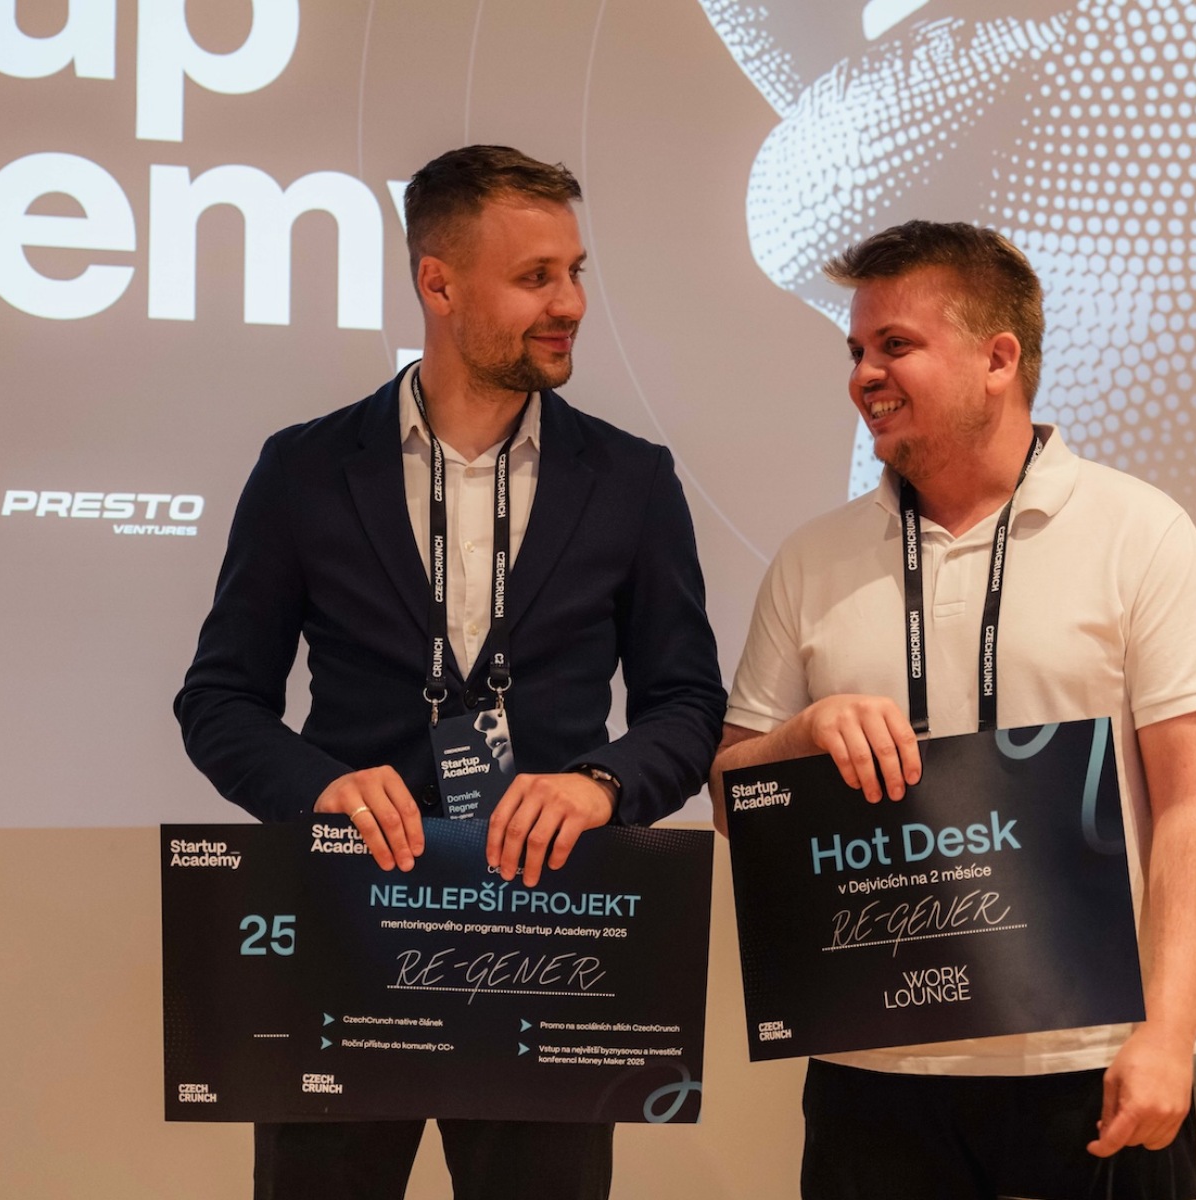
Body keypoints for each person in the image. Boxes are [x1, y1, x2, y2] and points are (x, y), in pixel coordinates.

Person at [175, 144, 726, 1200]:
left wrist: (602, 784)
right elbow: (219, 701)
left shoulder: (632, 480)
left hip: (549, 935)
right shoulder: (303, 469)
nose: (570, 304)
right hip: (349, 930)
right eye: (535, 277)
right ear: (439, 284)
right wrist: (321, 789)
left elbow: (688, 705)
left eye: (575, 273)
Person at [713, 220, 1196, 1199]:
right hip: (871, 1074)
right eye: (856, 350)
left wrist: (1170, 1034)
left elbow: (1194, 806)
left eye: (896, 345)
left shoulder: (1139, 534)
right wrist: (799, 738)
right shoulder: (812, 559)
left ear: (999, 359)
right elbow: (729, 798)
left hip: (1089, 1065)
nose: (864, 375)